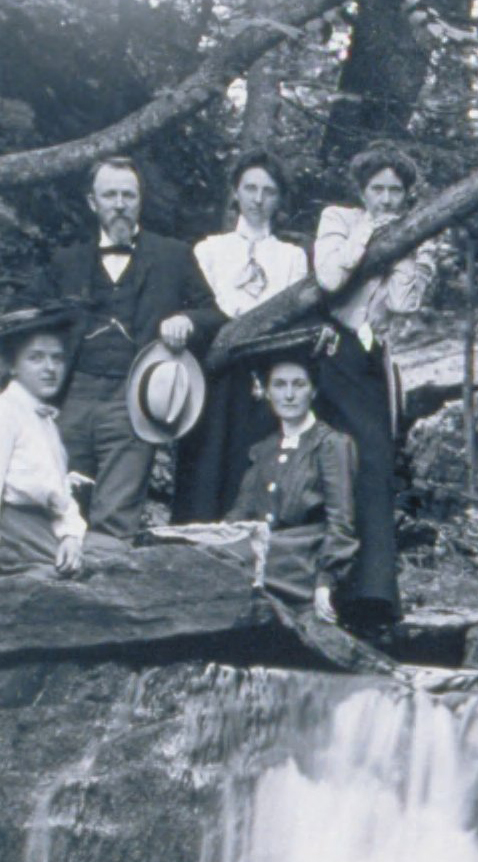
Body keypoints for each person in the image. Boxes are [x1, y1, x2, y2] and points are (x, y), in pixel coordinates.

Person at [42, 157, 220, 540]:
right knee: (55, 502)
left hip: (135, 398)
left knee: (115, 517)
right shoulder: (66, 261)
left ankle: (105, 596)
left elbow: (213, 314)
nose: (120, 204)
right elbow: (34, 323)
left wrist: (187, 322)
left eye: (128, 195)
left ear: (140, 201)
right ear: (93, 202)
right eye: (110, 195)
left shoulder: (173, 255)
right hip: (73, 395)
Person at [312, 146, 445, 629]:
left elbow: (405, 303)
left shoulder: (418, 231)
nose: (386, 199)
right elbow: (329, 279)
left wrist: (409, 245)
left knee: (374, 463)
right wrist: (369, 231)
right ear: (362, 190)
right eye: (377, 189)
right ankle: (313, 582)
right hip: (331, 353)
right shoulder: (339, 219)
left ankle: (370, 596)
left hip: (375, 359)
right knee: (326, 461)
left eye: (395, 191)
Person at [175, 151, 311, 523]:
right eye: (249, 188)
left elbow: (292, 318)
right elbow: (201, 311)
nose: (257, 199)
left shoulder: (292, 257)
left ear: (279, 199)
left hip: (261, 375)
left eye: (268, 191)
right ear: (235, 192)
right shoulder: (209, 250)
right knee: (204, 463)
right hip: (212, 374)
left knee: (250, 463)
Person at [0, 306, 88, 614]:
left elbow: (59, 493)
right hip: (6, 534)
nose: (49, 368)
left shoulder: (45, 421)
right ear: (13, 365)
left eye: (57, 358)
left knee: (111, 553)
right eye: (36, 358)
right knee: (100, 569)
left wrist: (71, 536)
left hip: (38, 528)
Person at [223, 330, 358, 625]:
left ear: (313, 391)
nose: (288, 394)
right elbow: (241, 513)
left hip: (301, 564)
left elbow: (341, 522)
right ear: (267, 392)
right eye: (279, 385)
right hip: (262, 557)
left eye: (299, 385)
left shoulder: (330, 444)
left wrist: (326, 583)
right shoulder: (263, 449)